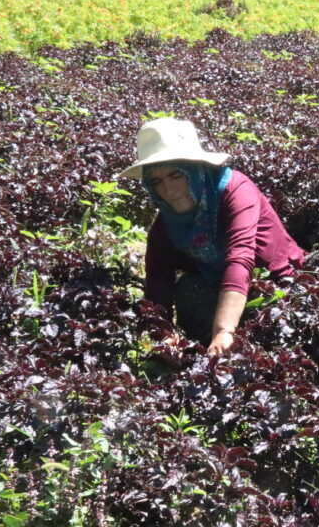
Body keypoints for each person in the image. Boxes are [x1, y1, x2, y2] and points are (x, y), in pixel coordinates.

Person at [118, 116, 304, 354]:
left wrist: (224, 331)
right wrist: (162, 334)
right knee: (188, 289)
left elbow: (241, 255)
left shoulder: (235, 190)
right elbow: (157, 282)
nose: (168, 189)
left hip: (276, 284)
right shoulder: (165, 226)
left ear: (196, 170)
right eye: (157, 181)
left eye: (176, 175)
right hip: (223, 291)